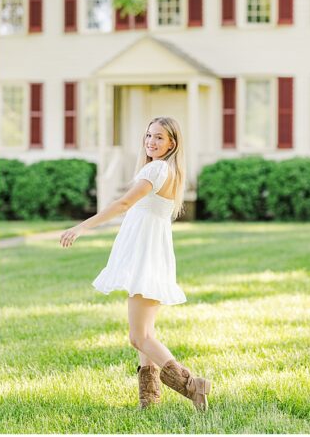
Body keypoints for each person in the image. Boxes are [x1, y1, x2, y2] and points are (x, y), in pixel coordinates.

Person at [61, 116, 211, 410]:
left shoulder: (156, 169)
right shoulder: (169, 170)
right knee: (145, 334)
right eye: (149, 136)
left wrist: (81, 227)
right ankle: (149, 400)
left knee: (138, 336)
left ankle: (192, 384)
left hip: (145, 255)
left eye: (159, 138)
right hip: (152, 253)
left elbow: (122, 204)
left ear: (172, 144)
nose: (151, 142)